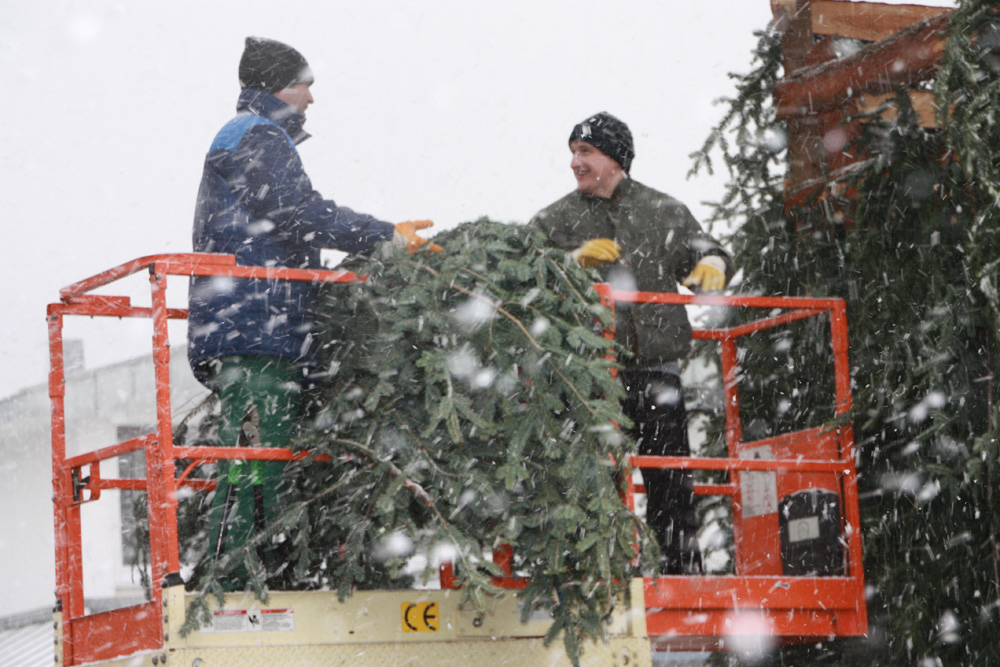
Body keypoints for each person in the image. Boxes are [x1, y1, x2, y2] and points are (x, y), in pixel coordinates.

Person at [187, 36, 440, 583]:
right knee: (256, 463)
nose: (311, 98)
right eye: (306, 85)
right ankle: (232, 578)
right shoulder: (256, 136)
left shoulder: (252, 135)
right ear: (279, 86)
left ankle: (255, 569)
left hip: (258, 325)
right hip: (253, 327)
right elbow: (299, 212)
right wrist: (384, 236)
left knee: (265, 459)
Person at [531, 112, 734, 574]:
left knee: (670, 480)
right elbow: (522, 275)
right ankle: (594, 574)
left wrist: (715, 265)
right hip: (586, 376)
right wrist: (568, 262)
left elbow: (705, 251)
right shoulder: (554, 220)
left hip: (655, 369)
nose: (575, 163)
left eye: (586, 152)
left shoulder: (662, 211)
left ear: (615, 158)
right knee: (590, 482)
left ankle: (682, 573)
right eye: (573, 153)